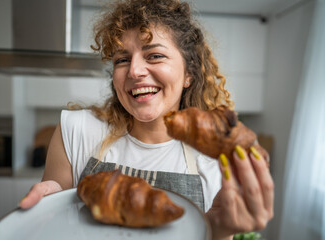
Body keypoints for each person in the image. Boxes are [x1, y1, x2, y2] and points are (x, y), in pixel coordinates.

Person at [19, 0, 274, 239]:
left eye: (154, 55)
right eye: (122, 59)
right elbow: (54, 228)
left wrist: (218, 232)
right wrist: (47, 212)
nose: (134, 71)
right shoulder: (75, 130)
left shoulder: (215, 165)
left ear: (189, 74)